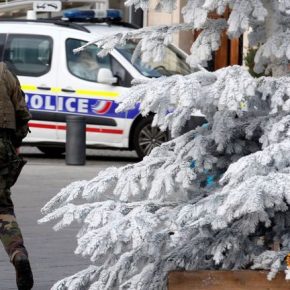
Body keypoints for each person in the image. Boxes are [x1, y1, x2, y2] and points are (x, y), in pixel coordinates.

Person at [0, 62, 33, 290]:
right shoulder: (4, 71)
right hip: (2, 146)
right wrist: (15, 142)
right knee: (2, 209)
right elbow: (22, 112)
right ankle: (17, 252)